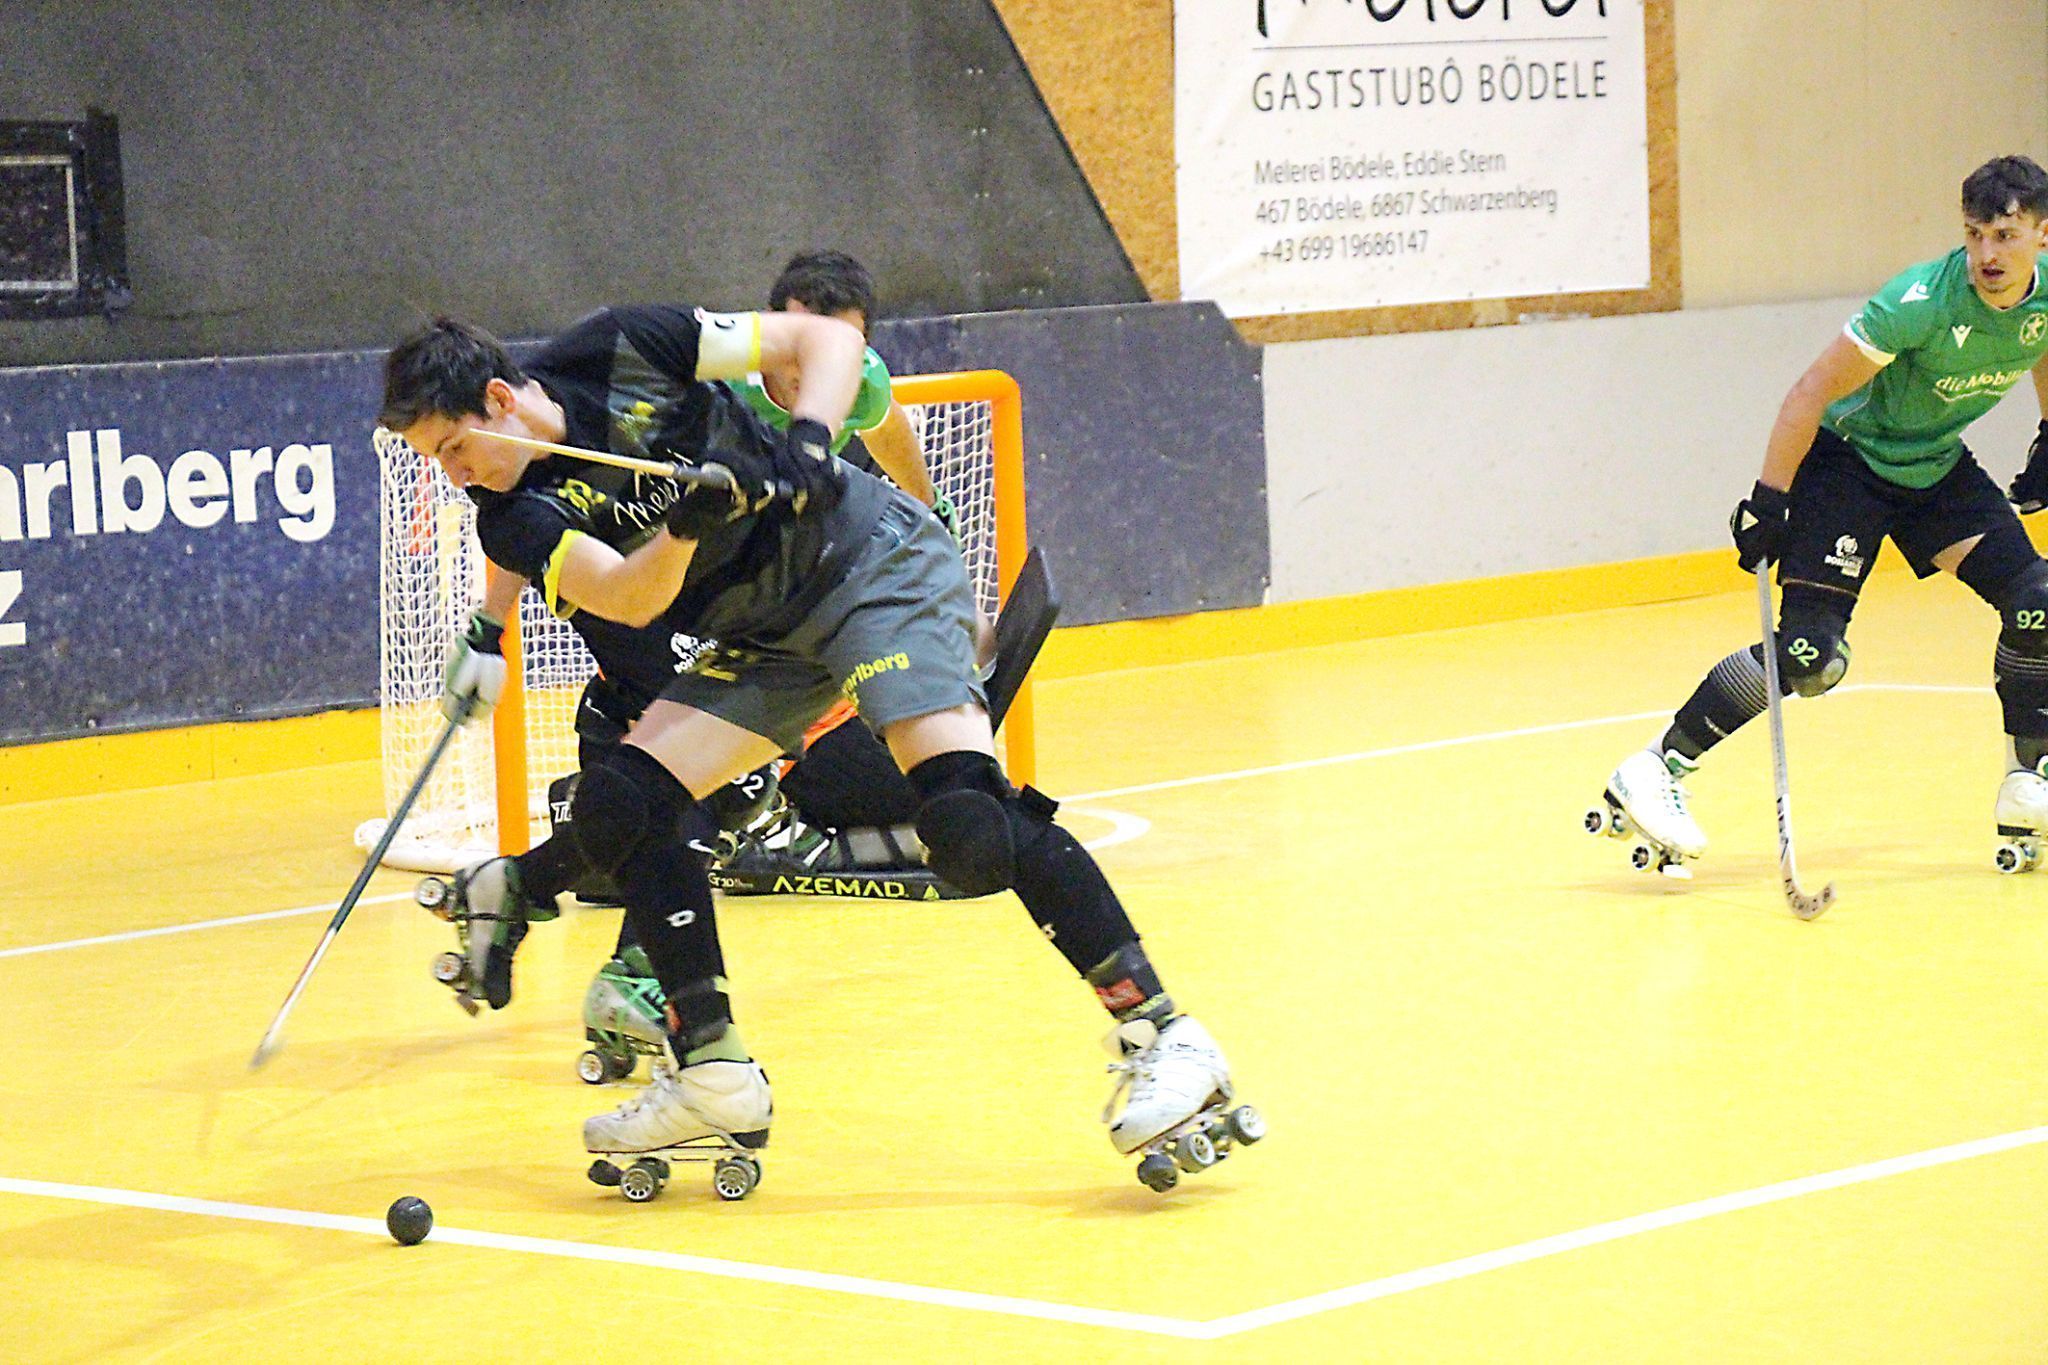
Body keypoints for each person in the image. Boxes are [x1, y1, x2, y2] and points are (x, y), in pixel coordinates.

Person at [378, 302, 1245, 1189]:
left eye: (452, 449)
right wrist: (689, 521)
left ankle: (1168, 1037)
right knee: (623, 802)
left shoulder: (624, 349)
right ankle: (711, 1066)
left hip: (872, 567)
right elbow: (632, 598)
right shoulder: (510, 517)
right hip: (764, 637)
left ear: (497, 398)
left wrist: (806, 442)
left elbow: (827, 341)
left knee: (965, 821)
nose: (455, 476)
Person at [1599, 155, 2048, 874]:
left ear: (2041, 235)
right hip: (1848, 466)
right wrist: (1770, 500)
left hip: (1935, 467)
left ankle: (2029, 778)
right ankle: (1654, 769)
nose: (1988, 255)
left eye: (2005, 235)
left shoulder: (2044, 295)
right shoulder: (1918, 302)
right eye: (1974, 236)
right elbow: (1809, 390)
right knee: (1811, 657)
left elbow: (2038, 343)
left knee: (2038, 603)